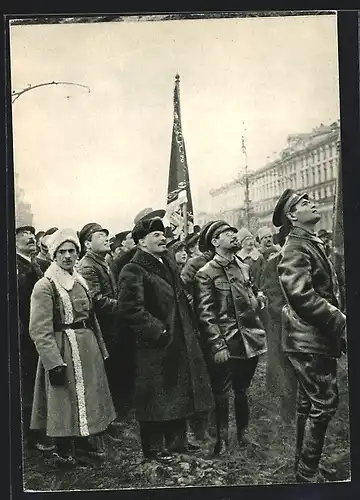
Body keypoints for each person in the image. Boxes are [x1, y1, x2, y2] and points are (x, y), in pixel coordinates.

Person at [117, 216, 214, 464]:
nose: (162, 238)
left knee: (178, 391)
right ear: (140, 242)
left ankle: (177, 443)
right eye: (155, 235)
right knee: (154, 397)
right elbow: (130, 309)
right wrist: (158, 332)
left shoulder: (167, 263)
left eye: (163, 234)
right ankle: (153, 450)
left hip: (178, 339)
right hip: (153, 346)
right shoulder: (134, 269)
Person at [273, 189, 347, 483]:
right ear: (292, 216)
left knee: (309, 405)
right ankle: (307, 472)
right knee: (325, 404)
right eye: (304, 203)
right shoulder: (295, 247)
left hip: (311, 337)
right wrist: (340, 321)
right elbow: (301, 296)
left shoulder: (307, 242)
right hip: (308, 338)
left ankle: (306, 467)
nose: (313, 203)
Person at [29, 228, 116, 467]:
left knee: (88, 395)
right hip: (62, 347)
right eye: (62, 252)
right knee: (63, 399)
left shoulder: (80, 281)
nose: (68, 256)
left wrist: (100, 348)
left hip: (87, 347)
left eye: (72, 251)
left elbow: (91, 317)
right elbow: (39, 329)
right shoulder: (45, 286)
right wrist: (53, 361)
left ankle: (86, 445)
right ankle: (63, 450)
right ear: (54, 255)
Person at [194, 221, 267, 457]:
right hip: (226, 340)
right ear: (215, 242)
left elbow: (253, 289)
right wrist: (217, 345)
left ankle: (243, 435)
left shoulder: (244, 267)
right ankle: (222, 441)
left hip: (249, 338)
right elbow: (206, 315)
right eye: (228, 234)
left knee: (242, 390)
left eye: (234, 232)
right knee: (222, 392)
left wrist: (259, 297)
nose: (234, 236)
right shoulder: (206, 273)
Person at [76, 223, 124, 436]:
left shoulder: (103, 262)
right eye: (100, 236)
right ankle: (105, 423)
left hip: (112, 326)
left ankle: (111, 419)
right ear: (87, 243)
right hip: (102, 328)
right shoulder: (88, 266)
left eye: (106, 235)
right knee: (104, 376)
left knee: (112, 373)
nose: (106, 239)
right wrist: (123, 306)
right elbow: (95, 299)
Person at [16, 224, 55, 452]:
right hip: (25, 336)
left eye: (31, 234)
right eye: (23, 235)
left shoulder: (36, 264)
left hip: (41, 332)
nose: (30, 237)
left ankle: (42, 431)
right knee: (29, 384)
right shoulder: (16, 266)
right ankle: (33, 437)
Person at [258, 223, 297, 425]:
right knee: (286, 369)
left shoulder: (305, 260)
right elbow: (270, 296)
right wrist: (286, 311)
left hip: (306, 326)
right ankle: (288, 413)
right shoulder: (274, 265)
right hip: (284, 326)